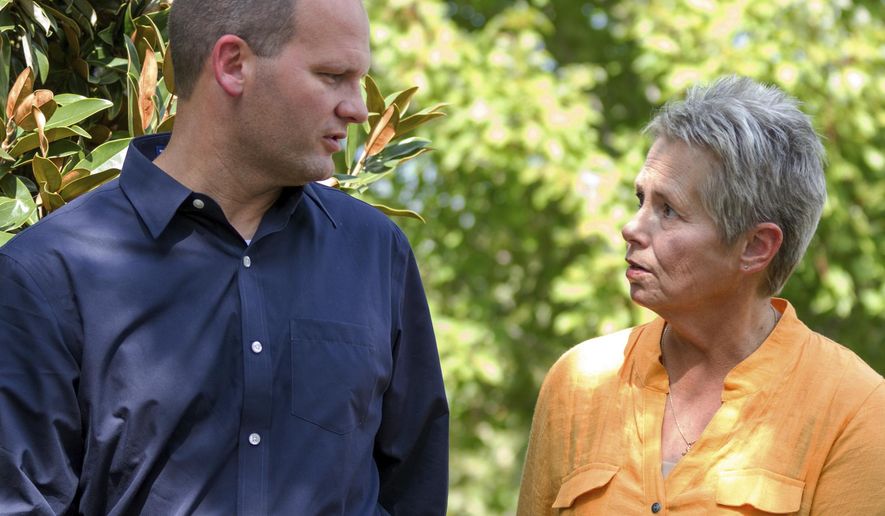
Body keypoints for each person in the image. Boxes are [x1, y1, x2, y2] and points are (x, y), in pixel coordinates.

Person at [0, 0, 449, 513]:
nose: (358, 108)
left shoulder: (375, 254)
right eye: (332, 76)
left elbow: (414, 488)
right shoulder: (49, 274)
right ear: (234, 65)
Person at [517, 76, 885, 514]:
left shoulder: (855, 410)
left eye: (668, 210)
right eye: (641, 199)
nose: (631, 228)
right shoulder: (578, 381)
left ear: (755, 247)